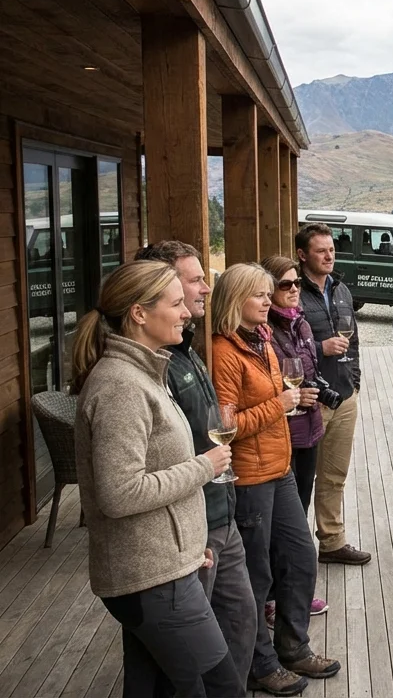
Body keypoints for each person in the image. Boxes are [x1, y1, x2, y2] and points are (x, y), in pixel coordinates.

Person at [72, 260, 244, 697]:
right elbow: (120, 491)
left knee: (156, 689)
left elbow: (152, 475)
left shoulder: (146, 373)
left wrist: (188, 549)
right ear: (139, 314)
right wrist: (205, 466)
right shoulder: (121, 387)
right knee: (220, 685)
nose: (186, 310)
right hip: (150, 579)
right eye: (174, 303)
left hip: (163, 571)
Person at [211, 263, 341, 695]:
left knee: (301, 558)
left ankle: (293, 646)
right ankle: (259, 663)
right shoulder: (224, 352)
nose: (269, 301)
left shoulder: (261, 340)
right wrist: (282, 403)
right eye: (260, 295)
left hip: (279, 467)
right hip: (249, 476)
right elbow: (225, 424)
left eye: (271, 294)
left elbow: (271, 401)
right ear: (235, 300)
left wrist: (289, 399)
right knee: (256, 574)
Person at [134, 240, 259, 684]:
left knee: (242, 620)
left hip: (220, 510)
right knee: (186, 657)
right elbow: (126, 482)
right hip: (191, 526)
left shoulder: (185, 347)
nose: (207, 288)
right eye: (194, 280)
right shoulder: (147, 367)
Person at [295, 223, 372, 566]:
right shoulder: (292, 290)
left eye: (331, 250)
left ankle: (331, 541)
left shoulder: (341, 290)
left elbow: (352, 341)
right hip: (307, 399)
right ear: (302, 255)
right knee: (298, 479)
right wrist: (319, 347)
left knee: (334, 475)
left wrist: (353, 380)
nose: (329, 256)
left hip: (344, 394)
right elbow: (281, 346)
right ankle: (293, 549)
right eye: (320, 251)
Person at [261, 255, 330, 624]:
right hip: (282, 433)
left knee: (299, 510)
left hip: (309, 429)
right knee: (279, 524)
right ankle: (273, 599)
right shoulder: (265, 330)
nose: (293, 290)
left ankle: (292, 595)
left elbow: (309, 370)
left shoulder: (299, 323)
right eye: (285, 284)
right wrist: (293, 398)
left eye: (296, 284)